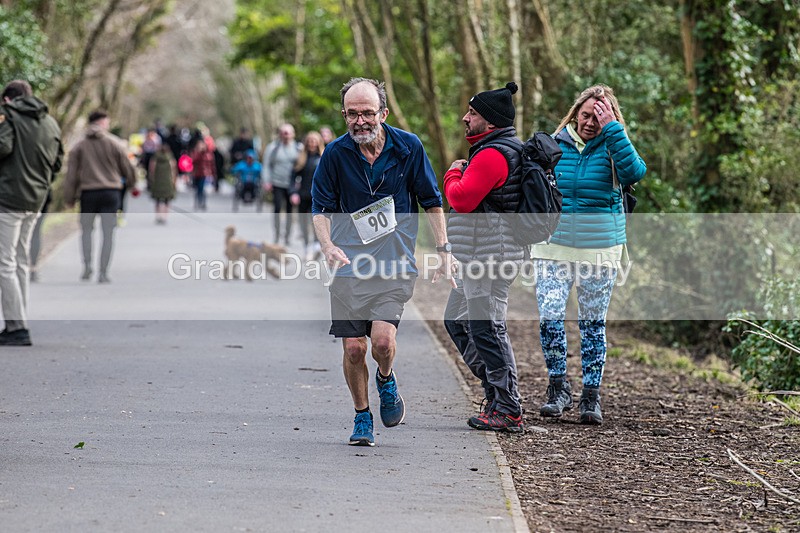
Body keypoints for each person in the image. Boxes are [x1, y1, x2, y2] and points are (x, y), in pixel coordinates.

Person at [312, 77, 454, 447]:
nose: (360, 121)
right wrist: (327, 246)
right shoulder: (334, 154)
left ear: (383, 113)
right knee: (354, 348)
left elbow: (431, 199)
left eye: (368, 113)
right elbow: (320, 210)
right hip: (347, 266)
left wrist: (444, 250)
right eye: (353, 114)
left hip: (394, 265)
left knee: (381, 344)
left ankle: (386, 379)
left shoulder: (409, 147)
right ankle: (362, 416)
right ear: (344, 115)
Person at [532, 84, 646, 425]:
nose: (590, 123)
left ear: (609, 119)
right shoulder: (554, 144)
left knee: (592, 325)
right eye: (586, 115)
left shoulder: (614, 146)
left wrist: (614, 130)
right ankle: (558, 387)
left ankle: (591, 397)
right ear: (575, 113)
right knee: (550, 317)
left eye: (599, 117)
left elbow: (635, 173)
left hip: (601, 250)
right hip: (553, 246)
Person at [442, 82, 526, 433]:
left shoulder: (493, 155)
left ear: (489, 122)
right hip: (484, 253)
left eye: (472, 113)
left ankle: (507, 407)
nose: (465, 117)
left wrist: (453, 172)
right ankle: (494, 392)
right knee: (457, 320)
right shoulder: (494, 149)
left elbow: (460, 198)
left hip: (491, 256)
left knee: (487, 327)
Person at [0, 80, 63, 346]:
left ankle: (17, 327)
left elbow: (3, 148)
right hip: (36, 200)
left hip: (10, 197)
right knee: (21, 260)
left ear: (8, 100)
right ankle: (19, 320)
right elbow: (58, 161)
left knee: (5, 263)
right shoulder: (50, 122)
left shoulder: (10, 117)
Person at [63, 109, 136, 284]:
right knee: (108, 233)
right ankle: (103, 271)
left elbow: (71, 175)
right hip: (110, 193)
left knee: (86, 231)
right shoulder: (115, 143)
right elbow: (127, 167)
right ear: (102, 122)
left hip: (88, 193)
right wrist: (132, 184)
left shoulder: (79, 146)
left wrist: (69, 198)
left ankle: (87, 265)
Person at [263, 124, 301, 245]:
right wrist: (267, 181)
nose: (286, 135)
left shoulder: (298, 148)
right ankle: (277, 234)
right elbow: (266, 165)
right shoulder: (272, 148)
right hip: (277, 183)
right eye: (283, 132)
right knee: (277, 208)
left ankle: (287, 236)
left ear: (293, 134)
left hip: (292, 185)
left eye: (288, 132)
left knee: (290, 211)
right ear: (279, 134)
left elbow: (303, 166)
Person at [292, 131, 324, 261]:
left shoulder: (324, 157)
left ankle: (317, 246)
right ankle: (307, 249)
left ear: (318, 142)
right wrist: (293, 192)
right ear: (306, 143)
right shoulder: (301, 158)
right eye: (310, 141)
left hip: (318, 196)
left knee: (317, 222)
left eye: (314, 141)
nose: (312, 143)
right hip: (303, 195)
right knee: (303, 223)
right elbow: (293, 177)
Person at [147, 143, 177, 224]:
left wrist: (151, 180)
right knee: (167, 201)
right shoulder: (170, 158)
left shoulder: (155, 158)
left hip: (157, 182)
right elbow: (173, 171)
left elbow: (151, 170)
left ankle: (158, 216)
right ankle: (164, 216)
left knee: (157, 200)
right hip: (168, 183)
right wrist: (174, 182)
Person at [190, 139, 215, 211]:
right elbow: (193, 161)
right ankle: (197, 202)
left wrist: (213, 174)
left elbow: (211, 165)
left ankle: (202, 202)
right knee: (197, 188)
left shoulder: (208, 154)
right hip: (196, 173)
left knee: (202, 188)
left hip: (204, 174)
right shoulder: (195, 153)